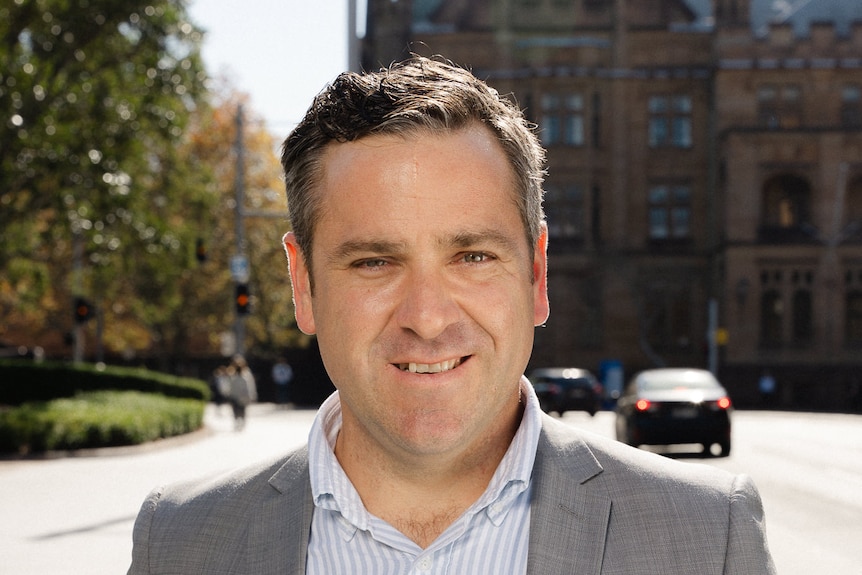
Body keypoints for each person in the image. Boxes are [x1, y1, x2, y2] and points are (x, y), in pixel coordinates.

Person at [128, 56, 775, 574]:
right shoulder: (179, 545)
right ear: (302, 283)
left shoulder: (707, 540)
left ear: (537, 274)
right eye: (375, 262)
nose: (428, 318)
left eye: (471, 255)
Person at [225, 355, 257, 430]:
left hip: (243, 395)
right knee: (235, 410)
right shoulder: (231, 372)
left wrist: (252, 394)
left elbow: (250, 384)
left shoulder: (247, 373)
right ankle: (237, 421)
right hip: (234, 395)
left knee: (242, 409)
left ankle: (242, 421)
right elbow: (228, 384)